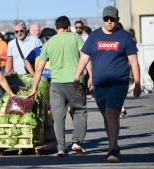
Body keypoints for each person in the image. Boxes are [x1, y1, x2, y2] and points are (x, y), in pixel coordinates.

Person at [74, 6, 141, 163]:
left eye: (112, 19)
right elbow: (84, 58)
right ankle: (114, 144)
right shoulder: (94, 37)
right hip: (100, 84)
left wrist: (137, 83)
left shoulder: (125, 37)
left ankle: (113, 149)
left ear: (117, 20)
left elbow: (134, 62)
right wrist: (76, 76)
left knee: (111, 112)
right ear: (103, 19)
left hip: (118, 82)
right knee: (106, 115)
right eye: (106, 19)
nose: (109, 22)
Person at [30, 16, 89, 157]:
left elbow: (39, 69)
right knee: (80, 111)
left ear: (57, 28)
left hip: (56, 85)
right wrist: (91, 76)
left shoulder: (49, 44)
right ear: (68, 27)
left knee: (58, 117)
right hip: (75, 82)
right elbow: (85, 57)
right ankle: (77, 142)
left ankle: (61, 148)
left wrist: (34, 88)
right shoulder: (76, 38)